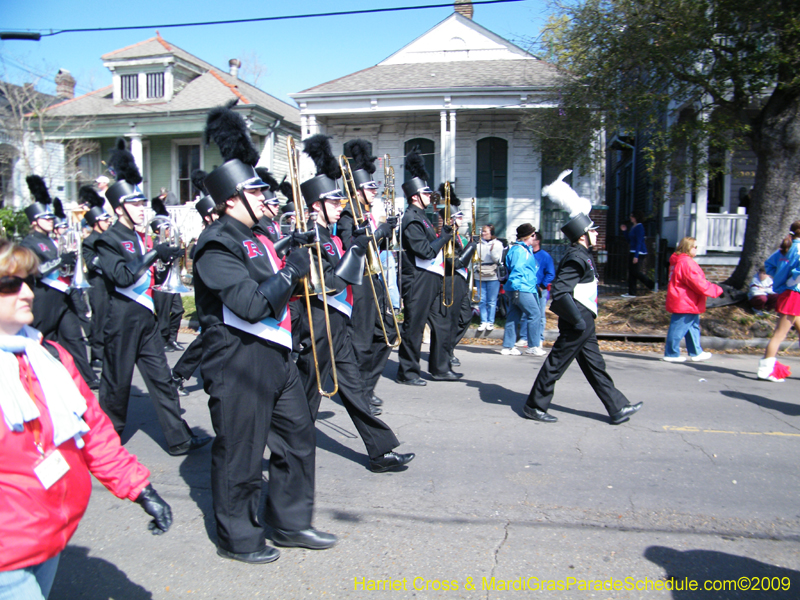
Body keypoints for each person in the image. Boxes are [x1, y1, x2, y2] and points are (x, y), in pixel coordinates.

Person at [197, 105, 336, 562]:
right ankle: (238, 537)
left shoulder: (256, 235)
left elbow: (274, 280)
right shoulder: (216, 243)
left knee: (298, 439)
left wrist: (291, 252)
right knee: (241, 452)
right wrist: (293, 268)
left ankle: (290, 522)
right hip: (238, 361)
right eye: (255, 190)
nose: (265, 197)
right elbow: (252, 304)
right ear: (230, 200)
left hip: (277, 357)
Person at [0, 240, 173, 599]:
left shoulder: (49, 355)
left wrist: (140, 488)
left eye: (29, 280)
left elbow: (93, 431)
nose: (28, 292)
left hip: (49, 535)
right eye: (10, 284)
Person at [297, 134, 414, 473]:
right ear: (316, 205)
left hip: (336, 321)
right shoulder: (310, 236)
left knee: (350, 387)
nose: (339, 205)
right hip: (318, 321)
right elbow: (328, 282)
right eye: (333, 201)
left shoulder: (331, 235)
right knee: (305, 396)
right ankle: (283, 445)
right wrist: (362, 245)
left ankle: (380, 452)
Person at [95, 138, 210, 456]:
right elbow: (121, 276)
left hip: (145, 317)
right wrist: (151, 255)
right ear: (119, 208)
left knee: (161, 378)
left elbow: (148, 276)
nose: (141, 208)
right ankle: (107, 442)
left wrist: (164, 261)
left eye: (141, 202)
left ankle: (178, 439)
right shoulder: (108, 239)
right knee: (116, 385)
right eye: (134, 204)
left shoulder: (139, 237)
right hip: (121, 318)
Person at [523, 174, 642, 425]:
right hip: (577, 318)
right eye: (593, 231)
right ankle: (534, 406)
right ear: (582, 235)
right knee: (556, 364)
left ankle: (618, 407)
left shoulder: (583, 254)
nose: (597, 235)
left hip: (584, 318)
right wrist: (577, 321)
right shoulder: (577, 256)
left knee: (595, 365)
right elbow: (561, 291)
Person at [20, 176, 99, 390]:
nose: (51, 220)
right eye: (45, 218)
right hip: (43, 297)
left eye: (51, 217)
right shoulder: (28, 243)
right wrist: (59, 261)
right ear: (34, 221)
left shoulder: (52, 240)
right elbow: (34, 270)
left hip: (62, 296)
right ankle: (31, 378)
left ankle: (88, 377)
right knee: (39, 340)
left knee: (74, 338)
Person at [337, 139, 394, 409]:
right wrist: (377, 233)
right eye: (370, 187)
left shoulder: (369, 213)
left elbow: (376, 244)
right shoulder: (347, 215)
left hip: (375, 278)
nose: (374, 191)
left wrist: (387, 231)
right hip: (358, 283)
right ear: (358, 189)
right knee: (360, 341)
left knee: (386, 335)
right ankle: (358, 395)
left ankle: (366, 386)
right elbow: (351, 248)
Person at [395, 147, 455, 385]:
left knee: (440, 322)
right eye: (426, 192)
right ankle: (407, 372)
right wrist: (445, 236)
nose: (431, 196)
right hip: (418, 278)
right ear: (414, 197)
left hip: (430, 276)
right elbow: (425, 250)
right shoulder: (411, 218)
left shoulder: (423, 217)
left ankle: (440, 368)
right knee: (414, 326)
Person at [662, 237, 723, 363]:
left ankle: (696, 352)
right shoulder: (686, 263)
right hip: (686, 300)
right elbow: (698, 283)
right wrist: (716, 290)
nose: (696, 249)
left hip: (685, 299)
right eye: (694, 247)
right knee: (678, 329)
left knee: (692, 327)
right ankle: (671, 353)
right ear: (687, 248)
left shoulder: (679, 261)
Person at [758, 221, 800, 382]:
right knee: (779, 335)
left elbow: (769, 265)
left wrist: (782, 279)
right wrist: (792, 280)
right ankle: (765, 370)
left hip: (787, 292)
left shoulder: (785, 249)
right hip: (794, 294)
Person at [439, 193, 477, 368]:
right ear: (452, 219)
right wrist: (472, 246)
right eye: (459, 216)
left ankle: (448, 347)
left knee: (465, 317)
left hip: (461, 281)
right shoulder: (447, 237)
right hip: (450, 281)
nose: (462, 218)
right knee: (452, 320)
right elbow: (455, 262)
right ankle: (446, 352)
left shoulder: (458, 237)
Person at [500, 224, 542, 357]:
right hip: (521, 288)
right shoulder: (520, 250)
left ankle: (508, 346)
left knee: (514, 315)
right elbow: (517, 270)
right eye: (534, 234)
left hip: (519, 287)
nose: (535, 237)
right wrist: (517, 289)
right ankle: (534, 345)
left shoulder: (523, 249)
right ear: (530, 236)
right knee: (535, 314)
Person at [81, 202, 112, 367]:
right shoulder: (89, 241)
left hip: (110, 282)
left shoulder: (110, 237)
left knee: (110, 317)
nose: (109, 222)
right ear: (96, 222)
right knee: (99, 318)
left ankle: (109, 351)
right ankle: (97, 355)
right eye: (105, 220)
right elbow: (93, 264)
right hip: (98, 283)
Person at [475, 224, 503, 331]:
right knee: (482, 299)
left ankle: (490, 321)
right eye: (482, 231)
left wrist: (493, 251)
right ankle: (483, 321)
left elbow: (498, 260)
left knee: (491, 300)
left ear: (491, 233)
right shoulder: (478, 244)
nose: (483, 233)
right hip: (480, 273)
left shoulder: (498, 244)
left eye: (486, 232)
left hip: (493, 275)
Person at [620, 211, 654, 298]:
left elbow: (639, 242)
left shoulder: (639, 227)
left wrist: (636, 256)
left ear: (635, 217)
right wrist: (625, 231)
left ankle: (651, 285)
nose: (630, 217)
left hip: (639, 252)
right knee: (631, 272)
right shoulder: (633, 227)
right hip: (632, 251)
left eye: (631, 216)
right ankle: (631, 292)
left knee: (636, 272)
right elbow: (629, 241)